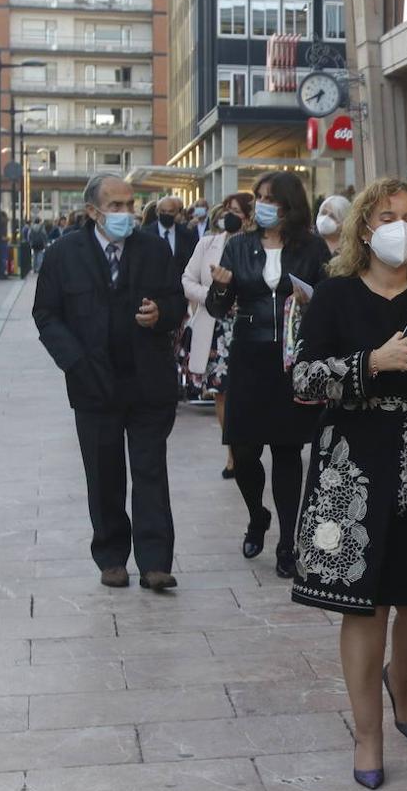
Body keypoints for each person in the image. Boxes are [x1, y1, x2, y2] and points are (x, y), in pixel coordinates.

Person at [289, 177, 407, 791]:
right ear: (365, 226)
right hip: (352, 466)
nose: (402, 226)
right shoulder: (335, 296)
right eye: (389, 215)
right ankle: (368, 733)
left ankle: (402, 680)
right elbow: (305, 379)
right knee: (362, 604)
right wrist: (371, 363)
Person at [32, 174, 187, 591]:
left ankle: (155, 562)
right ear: (92, 212)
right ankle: (112, 556)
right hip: (93, 383)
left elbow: (176, 301)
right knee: (104, 473)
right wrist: (76, 363)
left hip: (148, 381)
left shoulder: (153, 249)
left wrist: (162, 314)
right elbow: (46, 314)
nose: (125, 214)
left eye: (130, 205)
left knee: (150, 470)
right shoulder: (63, 254)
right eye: (115, 207)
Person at [206, 171, 330, 578]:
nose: (262, 205)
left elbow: (329, 299)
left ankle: (287, 544)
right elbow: (216, 307)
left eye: (271, 199)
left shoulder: (311, 249)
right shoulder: (238, 246)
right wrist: (222, 287)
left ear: (290, 205)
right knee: (243, 452)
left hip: (292, 361)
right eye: (259, 197)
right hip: (249, 357)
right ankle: (257, 514)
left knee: (288, 451)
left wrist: (311, 300)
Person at [182, 192, 253, 479]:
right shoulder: (207, 243)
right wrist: (211, 295)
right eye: (227, 209)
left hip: (246, 326)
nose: (229, 215)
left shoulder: (256, 246)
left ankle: (249, 446)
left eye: (236, 210)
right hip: (215, 326)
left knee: (247, 393)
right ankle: (232, 453)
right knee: (221, 393)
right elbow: (187, 280)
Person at [150, 196, 198, 277]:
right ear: (157, 212)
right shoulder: (147, 233)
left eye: (170, 211)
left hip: (180, 284)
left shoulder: (188, 235)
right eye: (163, 211)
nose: (166, 214)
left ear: (176, 212)